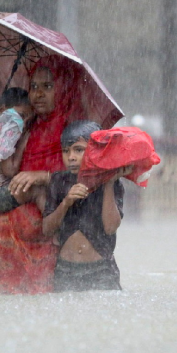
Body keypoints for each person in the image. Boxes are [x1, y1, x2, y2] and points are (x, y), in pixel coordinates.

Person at [0, 55, 86, 294]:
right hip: (7, 235)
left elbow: (85, 176)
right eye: (33, 87)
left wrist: (44, 176)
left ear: (62, 89)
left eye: (48, 87)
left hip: (49, 236)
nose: (39, 93)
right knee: (5, 308)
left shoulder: (73, 129)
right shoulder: (19, 125)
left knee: (45, 306)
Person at [42, 121, 132, 291]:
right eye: (65, 151)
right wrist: (66, 202)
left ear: (95, 151)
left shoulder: (112, 182)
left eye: (78, 150)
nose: (71, 157)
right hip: (65, 270)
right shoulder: (58, 181)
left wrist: (109, 183)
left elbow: (111, 227)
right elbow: (47, 229)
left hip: (101, 271)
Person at [0, 87, 44, 212]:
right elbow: (10, 170)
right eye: (22, 116)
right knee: (39, 191)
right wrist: (24, 141)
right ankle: (52, 225)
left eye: (29, 118)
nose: (25, 122)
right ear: (2, 110)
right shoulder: (5, 132)